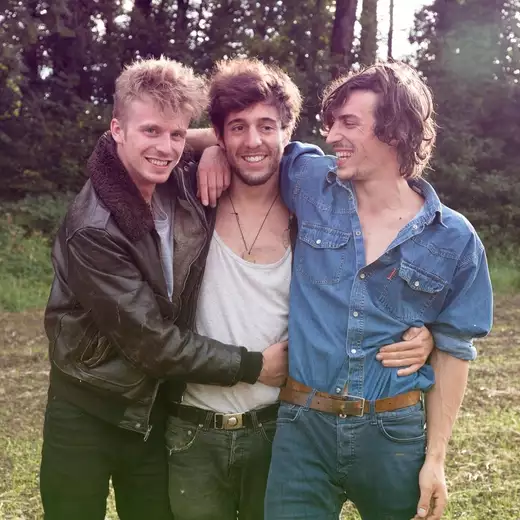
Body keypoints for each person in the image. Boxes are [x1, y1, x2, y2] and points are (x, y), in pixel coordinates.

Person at [195, 62, 493, 520]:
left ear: (394, 130)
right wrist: (215, 149)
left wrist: (436, 459)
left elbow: (456, 350)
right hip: (302, 428)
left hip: (393, 435)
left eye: (349, 123)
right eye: (332, 122)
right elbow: (250, 144)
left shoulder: (454, 238)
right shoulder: (311, 181)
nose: (332, 136)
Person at [40, 57, 287, 520]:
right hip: (88, 407)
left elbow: (239, 141)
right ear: (117, 130)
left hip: (155, 409)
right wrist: (253, 366)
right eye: (150, 131)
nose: (165, 147)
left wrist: (216, 146)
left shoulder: (175, 182)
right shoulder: (93, 227)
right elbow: (151, 342)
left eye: (176, 134)